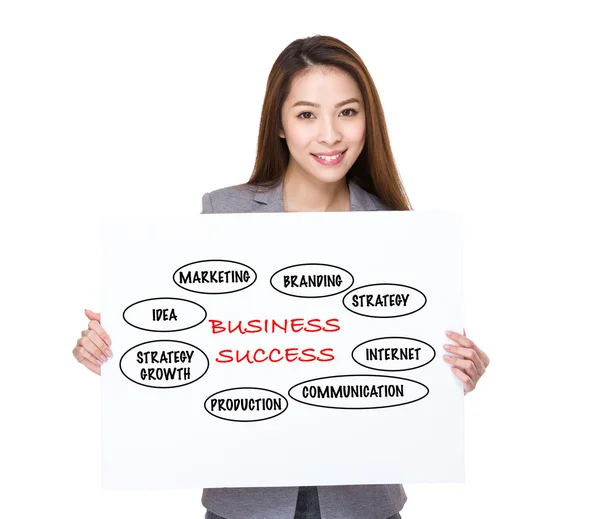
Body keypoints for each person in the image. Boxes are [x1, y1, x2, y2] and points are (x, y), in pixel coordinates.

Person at [73, 35, 490, 519]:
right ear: (280, 123)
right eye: (307, 114)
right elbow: (197, 344)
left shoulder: (398, 229)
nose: (330, 134)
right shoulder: (223, 212)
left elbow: (408, 365)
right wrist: (114, 345)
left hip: (363, 502)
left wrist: (457, 371)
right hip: (247, 502)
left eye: (348, 112)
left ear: (367, 120)